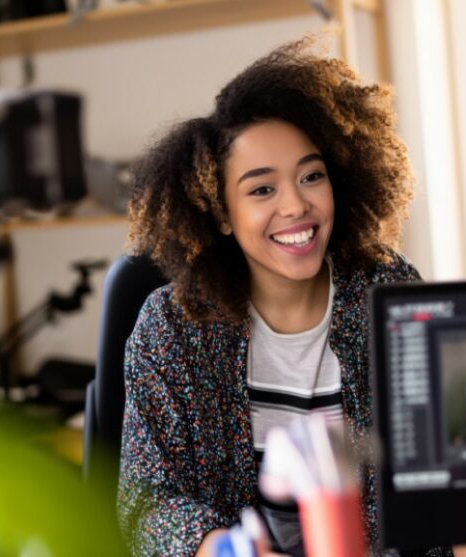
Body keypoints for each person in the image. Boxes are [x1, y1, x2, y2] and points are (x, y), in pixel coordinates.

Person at [118, 37, 441, 557]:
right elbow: (147, 505)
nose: (296, 205)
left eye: (311, 176)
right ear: (221, 213)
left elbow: (440, 467)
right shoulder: (172, 326)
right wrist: (218, 546)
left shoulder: (389, 291)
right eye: (262, 189)